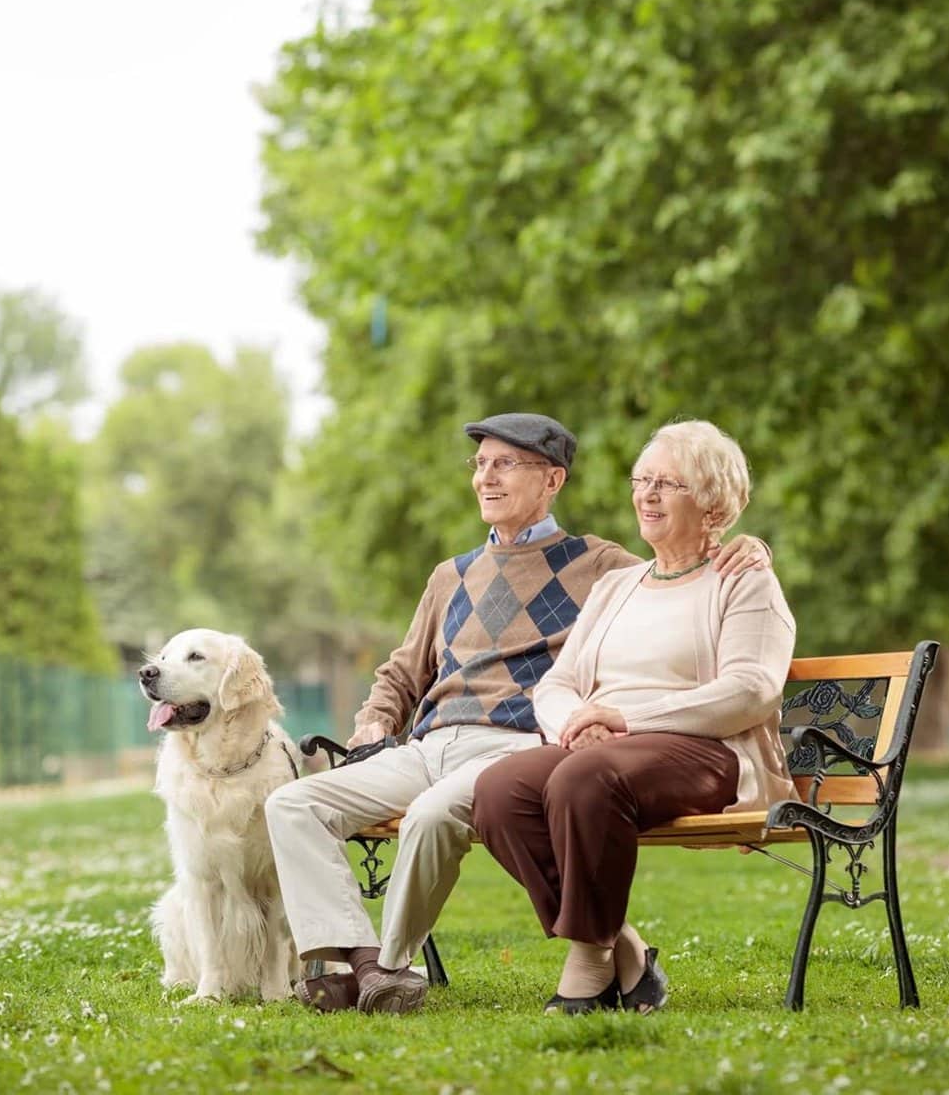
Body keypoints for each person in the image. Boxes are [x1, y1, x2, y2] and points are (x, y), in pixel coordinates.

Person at [264, 413, 770, 1014]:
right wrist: (375, 719)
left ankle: (391, 969)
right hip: (429, 745)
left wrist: (746, 544)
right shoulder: (448, 576)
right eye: (480, 464)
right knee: (293, 804)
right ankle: (368, 963)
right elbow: (402, 671)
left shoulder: (600, 565)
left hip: (516, 743)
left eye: (504, 463)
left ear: (552, 480)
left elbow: (681, 567)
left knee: (434, 816)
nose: (486, 478)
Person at [473, 420, 796, 1015]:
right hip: (601, 747)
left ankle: (589, 960)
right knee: (498, 790)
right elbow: (559, 682)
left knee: (582, 779)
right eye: (641, 480)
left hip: (704, 750)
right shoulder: (617, 585)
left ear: (711, 499)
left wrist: (624, 718)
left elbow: (751, 690)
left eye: (666, 483)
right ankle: (624, 946)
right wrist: (579, 721)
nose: (646, 494)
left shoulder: (745, 580)